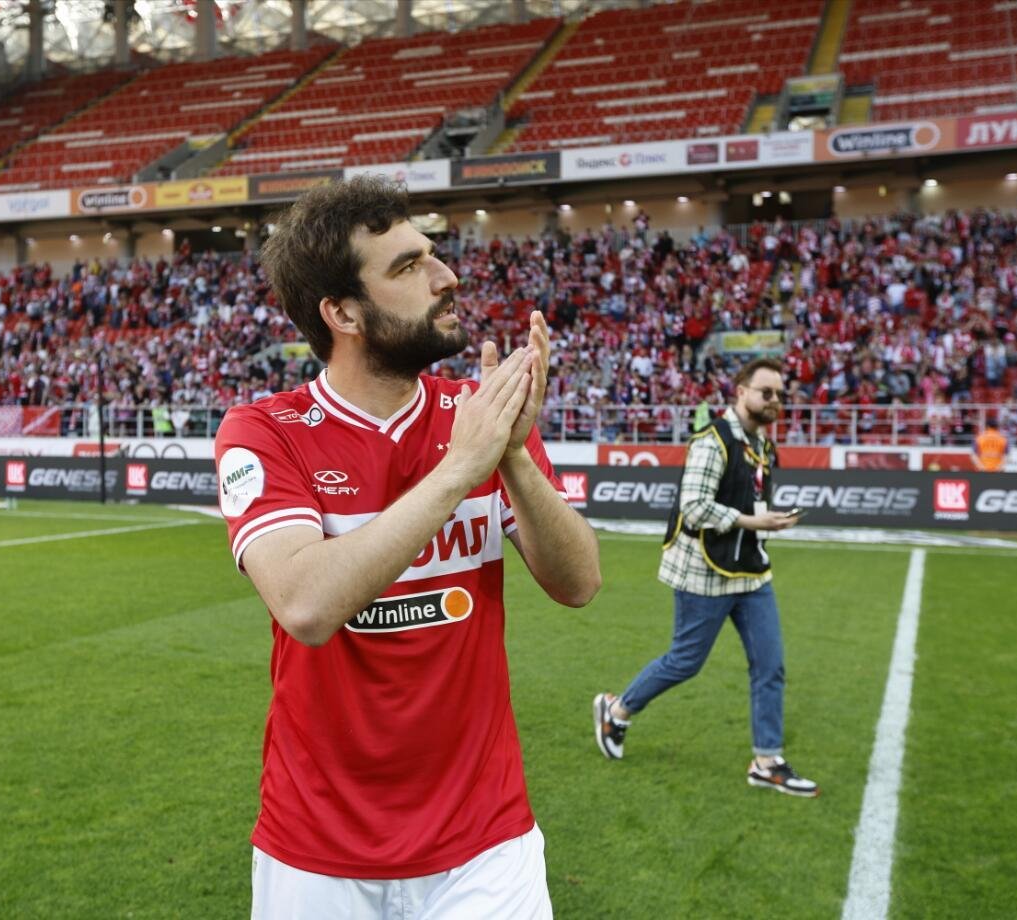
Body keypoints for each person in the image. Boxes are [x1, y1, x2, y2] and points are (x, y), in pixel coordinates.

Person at [214, 176, 601, 918]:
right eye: (408, 266)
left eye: (432, 255)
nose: (446, 276)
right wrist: (462, 468)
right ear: (342, 313)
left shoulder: (477, 414)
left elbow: (578, 582)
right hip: (318, 845)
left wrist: (513, 459)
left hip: (486, 836)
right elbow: (305, 605)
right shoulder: (264, 431)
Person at [593, 358, 819, 798]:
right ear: (741, 392)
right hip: (704, 572)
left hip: (750, 571)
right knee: (685, 661)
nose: (775, 400)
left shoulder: (762, 445)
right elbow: (694, 507)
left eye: (779, 394)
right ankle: (617, 711)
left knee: (770, 666)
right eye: (766, 392)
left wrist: (766, 518)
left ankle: (767, 761)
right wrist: (754, 522)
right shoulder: (712, 440)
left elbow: (744, 500)